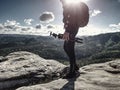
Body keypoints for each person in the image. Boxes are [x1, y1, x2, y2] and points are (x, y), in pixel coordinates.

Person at [60, 0, 89, 79]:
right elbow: (67, 17)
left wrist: (67, 31)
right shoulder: (66, 4)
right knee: (66, 47)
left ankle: (72, 72)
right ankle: (75, 66)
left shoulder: (69, 3)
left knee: (69, 47)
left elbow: (71, 16)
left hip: (72, 28)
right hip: (72, 27)